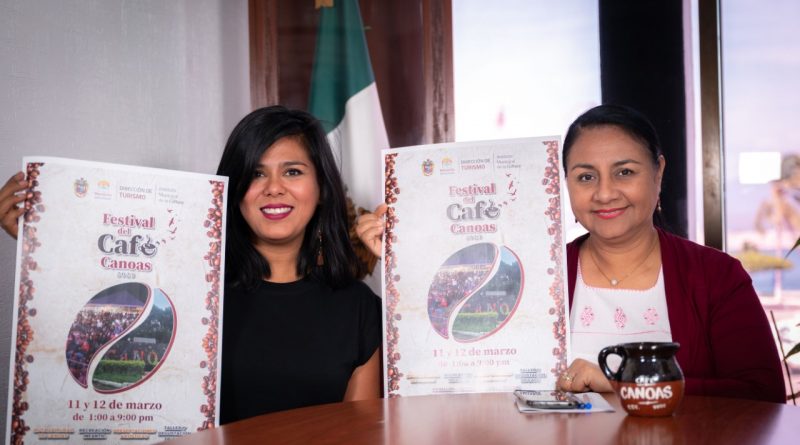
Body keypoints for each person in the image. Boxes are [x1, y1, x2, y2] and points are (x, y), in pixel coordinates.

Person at [355, 104, 785, 404]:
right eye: (585, 177)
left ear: (659, 173)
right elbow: (461, 358)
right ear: (563, 184)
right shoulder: (536, 273)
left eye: (625, 172)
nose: (605, 193)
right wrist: (405, 262)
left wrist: (621, 386)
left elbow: (761, 394)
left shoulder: (716, 276)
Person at [0, 105, 383, 423]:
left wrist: (401, 262)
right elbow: (88, 333)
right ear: (233, 190)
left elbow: (360, 433)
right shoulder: (186, 294)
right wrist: (44, 250)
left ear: (322, 189)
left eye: (292, 171)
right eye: (256, 173)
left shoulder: (360, 310)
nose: (273, 188)